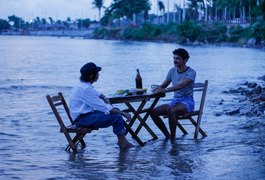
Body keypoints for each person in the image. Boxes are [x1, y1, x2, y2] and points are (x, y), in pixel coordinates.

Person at [69, 62, 133, 149]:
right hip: (82, 120)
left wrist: (104, 97)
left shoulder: (83, 85)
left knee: (116, 111)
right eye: (97, 73)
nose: (98, 75)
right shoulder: (85, 89)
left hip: (84, 116)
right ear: (92, 76)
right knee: (117, 116)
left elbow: (96, 93)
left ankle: (122, 141)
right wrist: (124, 114)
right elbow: (104, 107)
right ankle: (123, 143)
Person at [150, 48, 196, 141]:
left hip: (187, 101)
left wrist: (165, 90)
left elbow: (181, 85)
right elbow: (163, 86)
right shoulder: (172, 71)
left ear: (185, 60)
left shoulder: (191, 72)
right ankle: (168, 136)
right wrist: (156, 89)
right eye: (174, 58)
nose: (175, 60)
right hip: (175, 101)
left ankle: (173, 139)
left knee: (171, 110)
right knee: (153, 112)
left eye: (178, 58)